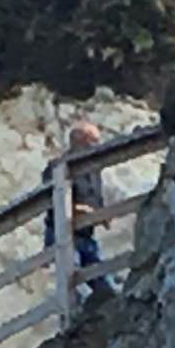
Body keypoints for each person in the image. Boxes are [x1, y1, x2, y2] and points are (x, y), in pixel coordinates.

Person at [50, 117, 115, 302]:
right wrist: (83, 210)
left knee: (103, 282)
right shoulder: (59, 167)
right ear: (79, 141)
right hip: (64, 234)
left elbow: (96, 197)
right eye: (92, 141)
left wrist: (102, 214)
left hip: (86, 234)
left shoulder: (94, 169)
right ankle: (73, 314)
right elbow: (53, 204)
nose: (96, 146)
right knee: (72, 279)